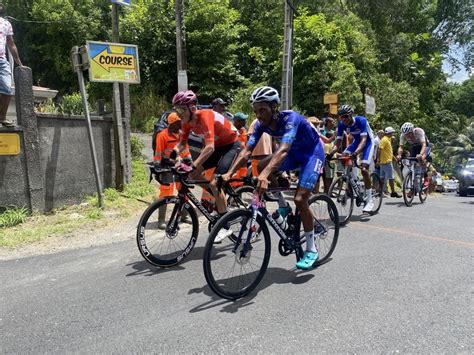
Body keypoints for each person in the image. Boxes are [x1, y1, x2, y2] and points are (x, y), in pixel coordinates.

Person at [222, 86, 325, 270]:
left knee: (301, 199)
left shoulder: (290, 118)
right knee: (261, 165)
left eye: (263, 110)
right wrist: (229, 173)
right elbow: (246, 151)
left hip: (311, 153)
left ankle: (311, 248)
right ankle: (282, 205)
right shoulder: (261, 125)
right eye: (255, 111)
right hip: (293, 153)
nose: (259, 115)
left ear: (274, 107)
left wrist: (264, 175)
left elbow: (283, 149)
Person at [172, 90, 241, 240]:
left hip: (231, 145)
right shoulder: (187, 122)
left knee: (216, 181)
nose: (178, 114)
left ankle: (225, 225)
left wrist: (194, 164)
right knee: (193, 174)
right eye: (176, 109)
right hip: (218, 146)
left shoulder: (205, 115)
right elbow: (182, 143)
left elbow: (209, 148)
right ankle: (217, 194)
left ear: (191, 108)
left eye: (180, 110)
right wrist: (172, 154)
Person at [328, 105, 375, 213]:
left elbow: (364, 140)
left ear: (351, 115)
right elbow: (338, 143)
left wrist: (356, 153)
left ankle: (369, 200)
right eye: (341, 117)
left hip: (367, 142)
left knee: (364, 169)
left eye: (345, 116)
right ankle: (355, 181)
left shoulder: (361, 120)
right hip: (357, 142)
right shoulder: (341, 124)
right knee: (344, 155)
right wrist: (331, 153)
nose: (343, 119)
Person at [153, 112, 191, 228]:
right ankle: (161, 220)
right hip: (166, 165)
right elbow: (158, 153)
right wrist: (157, 168)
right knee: (166, 191)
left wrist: (189, 160)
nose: (181, 125)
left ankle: (185, 215)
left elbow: (185, 150)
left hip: (179, 164)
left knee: (183, 189)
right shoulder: (162, 135)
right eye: (178, 123)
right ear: (172, 123)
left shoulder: (180, 135)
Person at [0, 2, 23, 127]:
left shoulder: (6, 24)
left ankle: (2, 117)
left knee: (7, 88)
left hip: (1, 60)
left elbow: (11, 44)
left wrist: (18, 62)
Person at [396, 122, 432, 188]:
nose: (407, 136)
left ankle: (425, 175)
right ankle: (412, 188)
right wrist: (399, 155)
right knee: (411, 161)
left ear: (412, 131)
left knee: (421, 158)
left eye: (409, 133)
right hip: (415, 146)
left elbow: (423, 144)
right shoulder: (403, 135)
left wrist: (421, 155)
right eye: (406, 134)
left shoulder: (419, 131)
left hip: (425, 146)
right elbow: (401, 147)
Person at [377, 127, 401, 198]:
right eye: (392, 133)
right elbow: (379, 149)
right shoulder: (384, 140)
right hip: (386, 162)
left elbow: (389, 152)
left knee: (382, 177)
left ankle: (380, 191)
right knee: (391, 177)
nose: (393, 134)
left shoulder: (388, 139)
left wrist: (394, 158)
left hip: (384, 161)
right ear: (389, 133)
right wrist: (378, 159)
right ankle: (393, 192)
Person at [231, 112, 249, 186]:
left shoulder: (244, 130)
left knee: (240, 185)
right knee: (230, 183)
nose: (245, 122)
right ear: (236, 121)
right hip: (233, 161)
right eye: (243, 120)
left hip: (242, 163)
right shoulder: (231, 130)